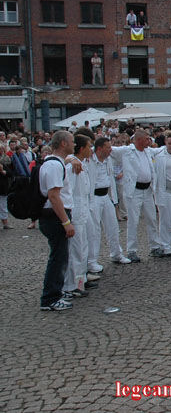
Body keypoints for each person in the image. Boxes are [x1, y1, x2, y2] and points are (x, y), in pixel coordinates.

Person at [110, 130, 162, 261]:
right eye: (146, 139)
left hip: (147, 190)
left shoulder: (148, 151)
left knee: (152, 219)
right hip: (134, 191)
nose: (149, 141)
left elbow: (160, 150)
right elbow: (109, 150)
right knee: (133, 221)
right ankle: (131, 250)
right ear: (139, 140)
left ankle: (155, 246)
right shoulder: (127, 151)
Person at [38, 131, 75, 311]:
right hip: (54, 217)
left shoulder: (56, 162)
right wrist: (66, 222)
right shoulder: (54, 165)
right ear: (63, 144)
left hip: (55, 216)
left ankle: (56, 292)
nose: (74, 144)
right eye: (72, 141)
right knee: (58, 257)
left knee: (60, 256)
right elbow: (53, 196)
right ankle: (50, 298)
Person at [86, 136, 130, 272]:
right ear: (99, 149)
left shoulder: (108, 160)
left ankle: (116, 253)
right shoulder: (88, 159)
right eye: (108, 147)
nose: (111, 150)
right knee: (94, 230)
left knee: (113, 226)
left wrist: (114, 200)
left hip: (106, 196)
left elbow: (125, 150)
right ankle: (91, 261)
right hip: (94, 197)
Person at [62, 134, 93, 299]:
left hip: (83, 212)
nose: (91, 150)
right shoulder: (72, 167)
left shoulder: (82, 164)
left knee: (83, 248)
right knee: (75, 250)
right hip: (76, 213)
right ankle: (71, 285)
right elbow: (69, 193)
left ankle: (81, 280)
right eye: (88, 146)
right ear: (81, 149)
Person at [0, 143, 11, 229]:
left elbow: (10, 173)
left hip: (2, 187)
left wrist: (3, 172)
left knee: (3, 206)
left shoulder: (4, 161)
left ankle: (5, 223)